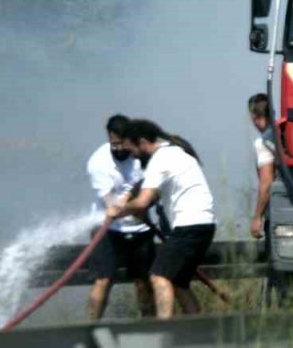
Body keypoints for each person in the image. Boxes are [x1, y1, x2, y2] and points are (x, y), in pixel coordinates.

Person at [106, 119, 217, 318]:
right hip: (204, 225)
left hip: (189, 225)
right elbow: (151, 195)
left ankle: (165, 332)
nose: (132, 155)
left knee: (159, 276)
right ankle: (200, 329)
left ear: (141, 142)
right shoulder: (175, 152)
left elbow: (142, 202)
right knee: (179, 283)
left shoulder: (160, 159)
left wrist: (119, 210)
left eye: (132, 150)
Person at [86, 114, 156, 321]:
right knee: (103, 280)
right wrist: (118, 207)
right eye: (113, 144)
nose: (118, 149)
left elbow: (147, 189)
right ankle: (89, 327)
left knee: (144, 282)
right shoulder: (97, 162)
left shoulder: (142, 157)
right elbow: (108, 202)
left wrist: (130, 202)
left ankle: (149, 328)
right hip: (107, 230)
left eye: (122, 144)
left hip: (140, 229)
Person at [248, 93, 276, 240]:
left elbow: (266, 182)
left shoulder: (263, 142)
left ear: (254, 116)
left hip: (276, 210)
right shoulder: (283, 133)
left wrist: (257, 217)